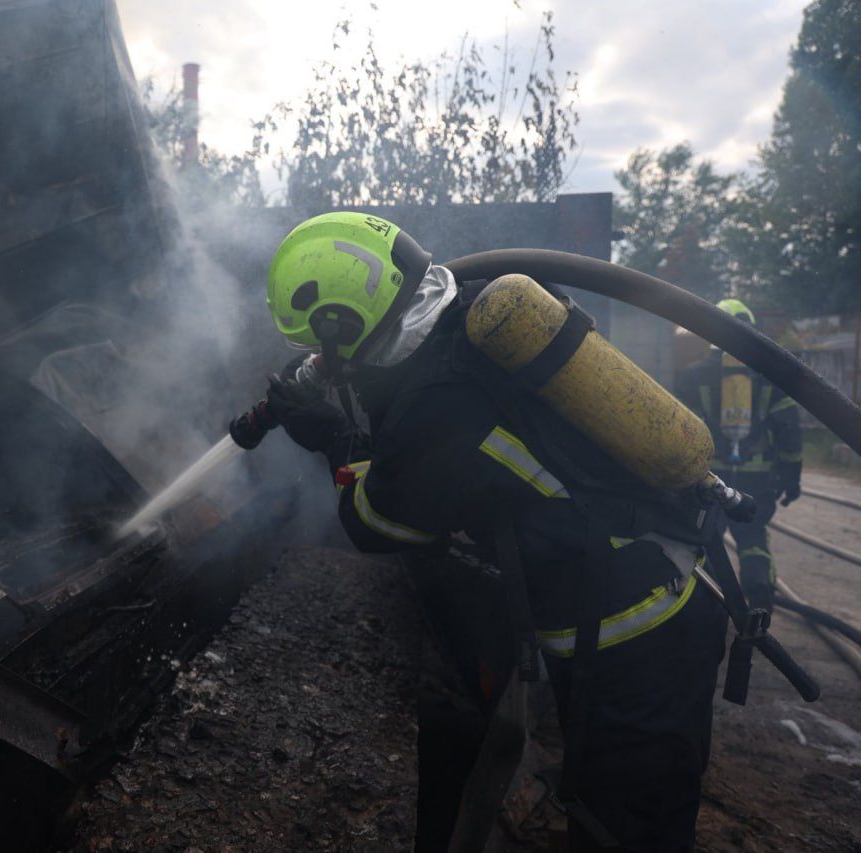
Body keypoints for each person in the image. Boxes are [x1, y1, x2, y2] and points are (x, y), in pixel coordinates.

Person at [246, 211, 729, 851]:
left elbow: (376, 521)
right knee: (613, 809)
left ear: (345, 319)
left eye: (323, 341)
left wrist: (334, 438)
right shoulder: (469, 319)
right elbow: (437, 465)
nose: (324, 359)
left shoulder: (434, 404)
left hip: (630, 639)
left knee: (630, 832)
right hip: (644, 597)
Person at [675, 299, 802, 614]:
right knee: (753, 536)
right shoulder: (766, 377)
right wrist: (791, 477)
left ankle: (712, 601)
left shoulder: (695, 375)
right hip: (757, 479)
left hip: (709, 480)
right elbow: (788, 429)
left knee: (707, 539)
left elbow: (679, 430)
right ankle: (759, 594)